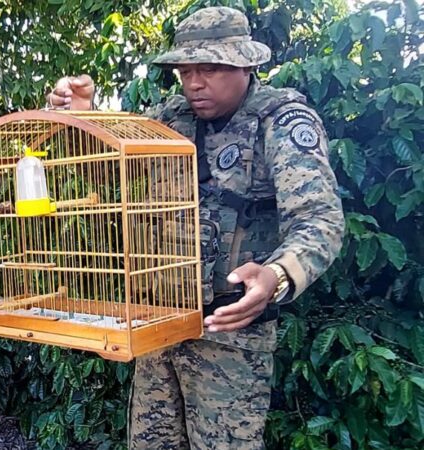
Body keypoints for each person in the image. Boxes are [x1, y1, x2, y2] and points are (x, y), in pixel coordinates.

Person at [47, 6, 344, 449]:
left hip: (229, 332)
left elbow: (319, 217)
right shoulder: (170, 119)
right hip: (159, 321)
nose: (194, 83)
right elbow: (111, 176)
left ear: (246, 64)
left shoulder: (280, 120)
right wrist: (84, 119)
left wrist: (278, 274)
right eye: (185, 70)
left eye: (209, 68)